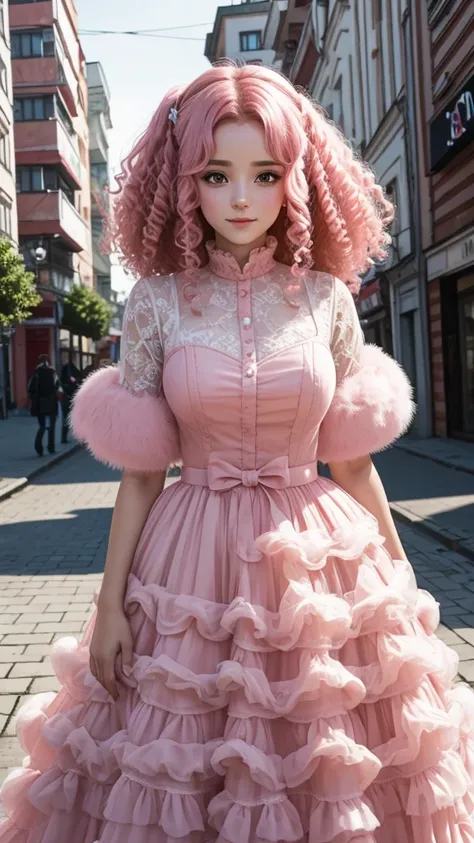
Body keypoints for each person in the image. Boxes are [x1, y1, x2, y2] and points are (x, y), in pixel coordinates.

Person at [2, 64, 473, 843]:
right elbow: (142, 474)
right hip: (187, 560)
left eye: (266, 173)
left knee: (328, 761)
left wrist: (401, 579)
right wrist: (112, 606)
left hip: (319, 566)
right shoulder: (155, 301)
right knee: (177, 761)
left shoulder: (325, 296)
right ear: (185, 184)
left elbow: (352, 462)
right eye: (218, 175)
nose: (243, 197)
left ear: (297, 178)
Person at [27, 353, 61, 456]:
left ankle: (39, 447)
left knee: (42, 426)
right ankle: (51, 447)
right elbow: (58, 386)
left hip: (39, 403)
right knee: (52, 426)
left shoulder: (36, 373)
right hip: (51, 401)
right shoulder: (52, 372)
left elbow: (30, 389)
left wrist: (33, 398)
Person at [60, 358, 81, 444]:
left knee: (66, 418)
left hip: (65, 400)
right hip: (70, 399)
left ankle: (64, 437)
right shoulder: (72, 379)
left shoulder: (62, 379)